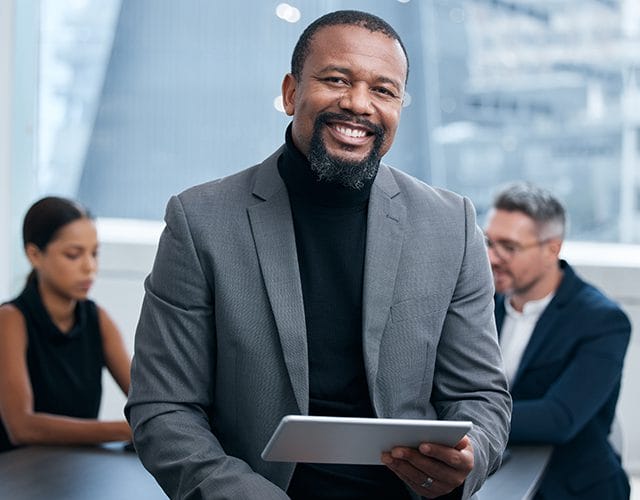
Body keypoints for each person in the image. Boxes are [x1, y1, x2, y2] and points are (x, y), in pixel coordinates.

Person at [126, 10, 511, 500]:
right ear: (291, 93)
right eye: (336, 80)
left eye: (383, 90)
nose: (358, 104)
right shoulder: (200, 221)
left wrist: (470, 454)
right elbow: (163, 407)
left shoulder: (450, 225)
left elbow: (479, 396)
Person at [485, 182, 631, 499]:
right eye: (488, 242)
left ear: (552, 248)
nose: (492, 258)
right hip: (497, 474)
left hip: (573, 485)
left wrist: (463, 417)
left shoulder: (602, 320)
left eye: (508, 247)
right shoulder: (481, 305)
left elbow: (558, 418)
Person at [0, 196, 132, 452]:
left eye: (94, 253)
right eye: (73, 255)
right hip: (18, 480)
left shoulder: (98, 319)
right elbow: (21, 427)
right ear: (35, 255)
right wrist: (127, 429)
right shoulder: (10, 320)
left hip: (79, 473)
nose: (90, 267)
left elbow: (149, 401)